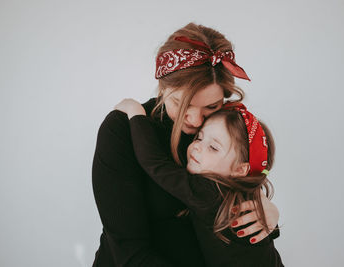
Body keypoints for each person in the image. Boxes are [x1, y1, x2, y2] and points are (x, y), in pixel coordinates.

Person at [92, 23, 280, 266]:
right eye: (182, 105)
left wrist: (266, 212)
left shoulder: (221, 129)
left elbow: (248, 176)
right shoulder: (122, 130)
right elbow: (129, 253)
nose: (195, 120)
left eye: (211, 106)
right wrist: (135, 116)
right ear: (163, 86)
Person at [116, 99, 284, 267]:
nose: (197, 147)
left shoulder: (210, 191)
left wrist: (135, 113)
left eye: (213, 147)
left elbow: (155, 163)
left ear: (240, 170)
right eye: (199, 137)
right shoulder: (245, 194)